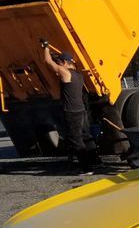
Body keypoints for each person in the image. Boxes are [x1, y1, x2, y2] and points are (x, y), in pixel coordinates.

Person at [41, 42, 100, 174]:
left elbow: (48, 62)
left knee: (76, 140)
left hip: (72, 112)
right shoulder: (79, 75)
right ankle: (95, 161)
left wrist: (45, 47)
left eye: (60, 62)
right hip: (81, 111)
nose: (59, 64)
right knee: (85, 136)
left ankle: (87, 168)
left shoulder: (65, 73)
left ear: (64, 62)